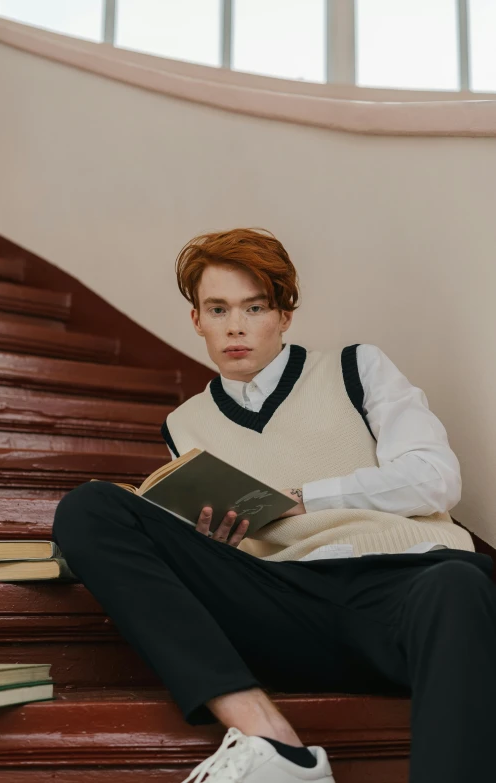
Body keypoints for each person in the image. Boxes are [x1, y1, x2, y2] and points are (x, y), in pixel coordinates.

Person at [53, 228, 496, 783]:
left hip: (401, 588)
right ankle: (273, 743)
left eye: (254, 307)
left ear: (284, 314)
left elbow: (436, 480)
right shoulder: (183, 424)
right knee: (90, 508)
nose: (234, 326)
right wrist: (209, 544)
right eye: (217, 309)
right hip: (282, 600)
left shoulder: (357, 368)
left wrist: (304, 499)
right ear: (197, 320)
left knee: (460, 583)